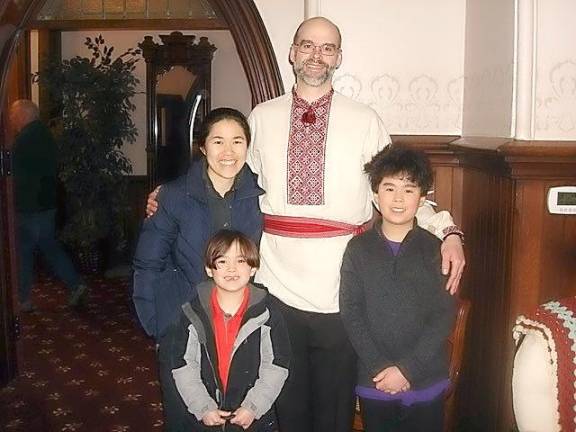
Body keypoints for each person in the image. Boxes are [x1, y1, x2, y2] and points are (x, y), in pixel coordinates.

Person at [147, 17, 465, 432]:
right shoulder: (262, 116)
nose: (317, 55)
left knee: (333, 408)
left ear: (338, 58)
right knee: (286, 401)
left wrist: (449, 230)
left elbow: (402, 186)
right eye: (308, 45)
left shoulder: (364, 118)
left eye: (328, 47)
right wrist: (169, 194)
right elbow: (228, 171)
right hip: (278, 285)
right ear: (293, 53)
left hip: (343, 287)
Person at [132, 108, 264, 431]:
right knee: (185, 418)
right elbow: (148, 263)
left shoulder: (263, 195)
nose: (228, 152)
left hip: (239, 326)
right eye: (218, 141)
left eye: (237, 141)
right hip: (184, 323)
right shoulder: (174, 196)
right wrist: (158, 324)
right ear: (203, 147)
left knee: (237, 418)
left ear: (248, 146)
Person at [339, 145, 456, 432]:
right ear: (376, 196)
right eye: (389, 188)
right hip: (373, 378)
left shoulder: (435, 249)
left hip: (426, 377)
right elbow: (351, 311)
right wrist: (379, 367)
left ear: (423, 197)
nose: (399, 199)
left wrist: (408, 369)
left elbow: (443, 316)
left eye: (409, 189)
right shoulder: (358, 249)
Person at [168, 230, 290, 432]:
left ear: (253, 267)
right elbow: (183, 365)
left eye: (241, 261)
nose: (232, 268)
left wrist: (253, 407)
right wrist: (203, 407)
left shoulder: (268, 313)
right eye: (222, 261)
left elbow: (276, 365)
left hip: (253, 419)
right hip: (205, 417)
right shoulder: (192, 312)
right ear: (209, 269)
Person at [9, 99, 88, 312]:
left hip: (29, 206)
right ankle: (73, 284)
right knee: (47, 247)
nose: (11, 120)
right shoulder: (44, 135)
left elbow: (13, 174)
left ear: (23, 115)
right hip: (46, 203)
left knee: (28, 253)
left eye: (13, 116)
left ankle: (24, 298)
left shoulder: (23, 140)